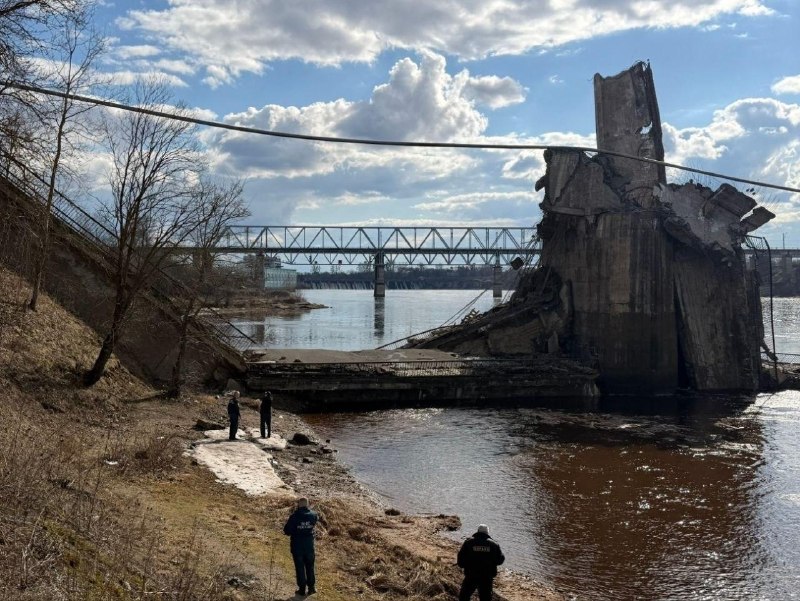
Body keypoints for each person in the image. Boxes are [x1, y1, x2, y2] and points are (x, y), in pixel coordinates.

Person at [457, 524, 505, 601]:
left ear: (478, 531)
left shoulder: (468, 542)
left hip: (471, 575)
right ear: (487, 533)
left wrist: (464, 565)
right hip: (487, 577)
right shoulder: (494, 545)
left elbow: (460, 559)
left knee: (464, 596)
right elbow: (500, 560)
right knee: (485, 598)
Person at [283, 497, 318, 596]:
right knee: (310, 567)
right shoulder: (313, 515)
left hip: (297, 546)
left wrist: (296, 530)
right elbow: (314, 523)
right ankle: (312, 588)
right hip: (309, 546)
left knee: (300, 567)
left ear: (299, 504)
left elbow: (287, 530)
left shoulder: (294, 516)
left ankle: (302, 589)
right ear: (307, 504)